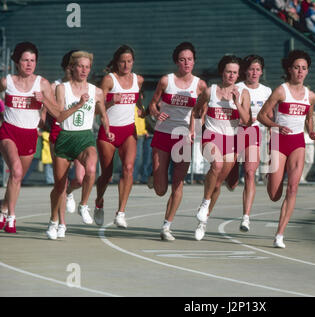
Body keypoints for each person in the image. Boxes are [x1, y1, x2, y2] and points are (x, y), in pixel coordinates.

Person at [47, 51, 114, 239]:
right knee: (59, 186)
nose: (84, 70)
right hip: (65, 137)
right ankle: (54, 221)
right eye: (80, 66)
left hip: (84, 137)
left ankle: (83, 205)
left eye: (87, 67)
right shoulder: (62, 89)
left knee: (91, 169)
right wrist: (78, 105)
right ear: (72, 68)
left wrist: (107, 129)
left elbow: (103, 112)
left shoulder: (96, 91)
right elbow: (60, 116)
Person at [257, 50, 315, 248]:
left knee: (293, 188)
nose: (300, 72)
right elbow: (262, 116)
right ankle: (272, 177)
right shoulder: (281, 91)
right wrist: (276, 126)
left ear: (307, 71)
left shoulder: (310, 96)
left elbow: (309, 118)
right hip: (278, 142)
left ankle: (279, 234)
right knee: (275, 194)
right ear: (289, 69)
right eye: (296, 68)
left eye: (304, 68)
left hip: (297, 143)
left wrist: (312, 132)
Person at [0, 42, 61, 233]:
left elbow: (57, 112)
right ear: (17, 62)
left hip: (29, 134)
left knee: (17, 178)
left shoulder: (42, 84)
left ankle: (2, 207)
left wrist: (44, 102)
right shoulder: (6, 82)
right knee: (16, 172)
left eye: (32, 60)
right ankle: (11, 217)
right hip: (9, 132)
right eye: (25, 60)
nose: (29, 64)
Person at [148, 42, 207, 241]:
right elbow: (153, 104)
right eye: (182, 59)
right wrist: (156, 113)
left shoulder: (200, 85)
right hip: (163, 133)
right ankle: (154, 175)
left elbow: (201, 113)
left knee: (178, 183)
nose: (186, 63)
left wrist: (194, 132)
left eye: (190, 59)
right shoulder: (167, 81)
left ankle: (167, 226)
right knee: (160, 189)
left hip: (184, 137)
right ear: (176, 62)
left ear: (194, 61)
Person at [193, 54, 251, 241]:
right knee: (216, 165)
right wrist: (194, 131)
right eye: (228, 72)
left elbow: (246, 120)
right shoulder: (211, 91)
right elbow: (196, 109)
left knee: (218, 183)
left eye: (235, 72)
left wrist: (236, 103)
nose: (231, 75)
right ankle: (204, 203)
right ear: (222, 72)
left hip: (231, 140)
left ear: (238, 74)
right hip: (211, 135)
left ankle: (203, 221)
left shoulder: (243, 93)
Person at [94, 45, 144, 228]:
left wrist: (142, 109)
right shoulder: (109, 80)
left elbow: (138, 99)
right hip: (108, 131)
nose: (126, 65)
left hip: (128, 131)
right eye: (123, 61)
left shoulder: (138, 80)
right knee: (106, 174)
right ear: (116, 62)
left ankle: (121, 212)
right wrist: (109, 102)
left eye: (129, 61)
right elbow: (95, 110)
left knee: (128, 168)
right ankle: (99, 201)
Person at [225, 54, 272, 232]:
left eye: (257, 69)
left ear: (261, 72)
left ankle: (246, 217)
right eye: (251, 69)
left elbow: (270, 116)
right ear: (245, 71)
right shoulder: (236, 87)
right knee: (232, 182)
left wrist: (271, 140)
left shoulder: (267, 91)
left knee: (251, 173)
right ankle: (232, 170)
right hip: (235, 131)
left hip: (254, 132)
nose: (254, 72)